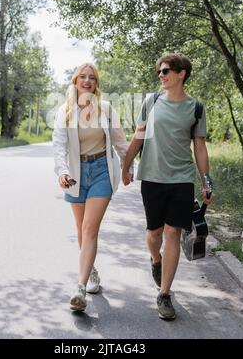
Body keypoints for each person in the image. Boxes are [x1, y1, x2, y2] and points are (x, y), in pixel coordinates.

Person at [122, 53, 214, 321]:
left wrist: (206, 180)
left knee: (173, 232)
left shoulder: (195, 108)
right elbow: (138, 136)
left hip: (182, 179)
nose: (161, 75)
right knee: (154, 233)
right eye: (159, 71)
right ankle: (155, 260)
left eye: (165, 71)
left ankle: (164, 294)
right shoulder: (151, 102)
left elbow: (199, 146)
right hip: (151, 177)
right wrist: (126, 165)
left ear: (181, 73)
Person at [53, 63, 133, 312]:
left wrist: (128, 167)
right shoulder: (65, 110)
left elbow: (120, 141)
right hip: (76, 175)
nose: (87, 81)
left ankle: (79, 287)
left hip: (101, 171)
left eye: (92, 78)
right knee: (81, 230)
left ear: (96, 83)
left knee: (89, 229)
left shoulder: (106, 109)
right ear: (75, 81)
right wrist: (62, 172)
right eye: (83, 77)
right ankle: (92, 271)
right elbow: (59, 146)